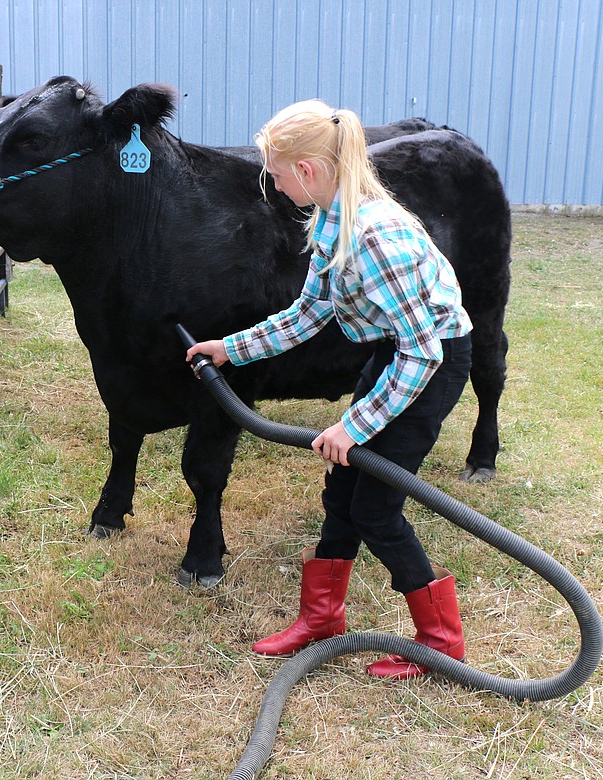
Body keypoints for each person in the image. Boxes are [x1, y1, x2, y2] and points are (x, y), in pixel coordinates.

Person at [185, 100, 474, 679]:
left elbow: (424, 351)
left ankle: (442, 640)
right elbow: (305, 314)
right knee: (342, 493)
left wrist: (355, 424)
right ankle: (322, 619)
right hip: (395, 354)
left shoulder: (374, 237)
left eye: (275, 171)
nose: (271, 182)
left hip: (429, 365)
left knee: (375, 507)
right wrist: (229, 347)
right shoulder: (330, 223)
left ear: (308, 171)